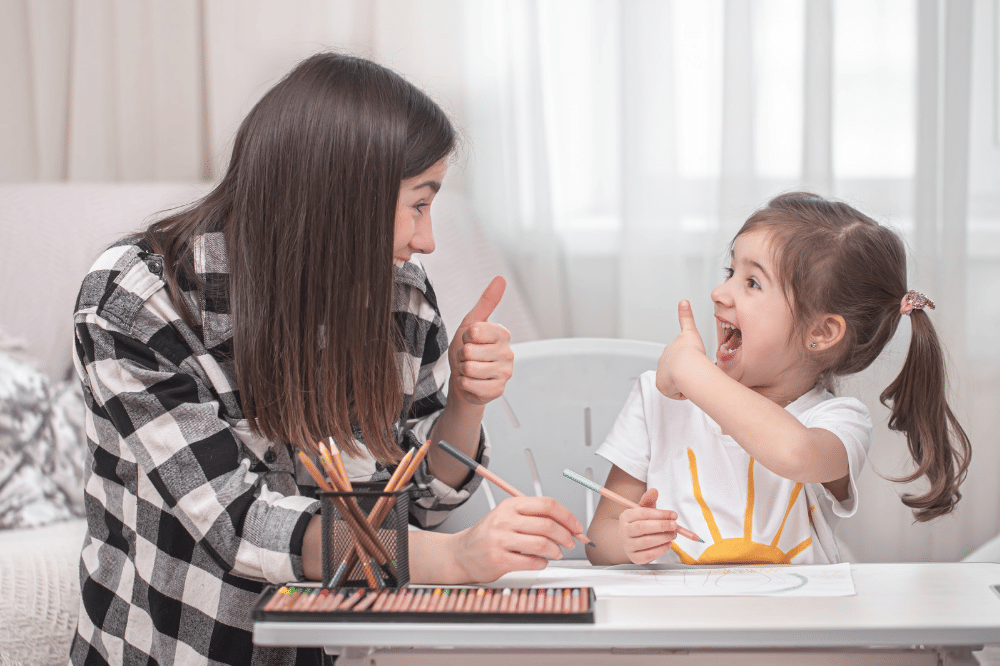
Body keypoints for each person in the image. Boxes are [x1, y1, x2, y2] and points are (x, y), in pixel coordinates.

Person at [69, 52, 583, 666]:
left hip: (349, 648)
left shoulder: (402, 297)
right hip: (187, 648)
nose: (428, 239)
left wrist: (467, 405)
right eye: (419, 203)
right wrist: (454, 560)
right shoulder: (137, 300)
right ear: (342, 197)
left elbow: (418, 502)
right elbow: (235, 523)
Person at [587, 192, 972, 567]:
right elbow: (598, 540)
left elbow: (794, 454)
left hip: (794, 629)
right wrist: (624, 540)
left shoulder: (840, 423)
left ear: (820, 332)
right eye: (730, 271)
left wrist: (692, 371)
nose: (719, 292)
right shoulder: (656, 401)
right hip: (681, 627)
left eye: (752, 282)